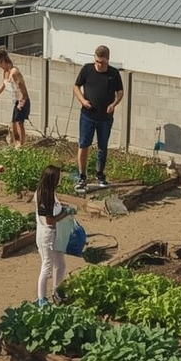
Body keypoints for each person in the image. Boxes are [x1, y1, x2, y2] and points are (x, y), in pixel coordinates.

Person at [73, 45, 124, 191]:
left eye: (102, 62)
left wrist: (114, 104)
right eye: (97, 61)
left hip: (105, 118)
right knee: (83, 144)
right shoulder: (87, 69)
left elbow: (120, 92)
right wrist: (83, 101)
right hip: (87, 116)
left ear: (107, 60)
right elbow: (76, 87)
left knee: (102, 147)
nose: (99, 65)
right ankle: (82, 176)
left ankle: (100, 175)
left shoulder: (113, 74)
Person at [33, 165, 73, 307]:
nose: (60, 179)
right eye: (58, 177)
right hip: (46, 235)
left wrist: (64, 208)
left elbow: (55, 209)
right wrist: (65, 213)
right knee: (47, 266)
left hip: (55, 234)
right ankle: (41, 298)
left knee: (60, 265)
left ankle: (56, 292)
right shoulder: (44, 196)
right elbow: (50, 220)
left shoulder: (50, 192)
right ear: (52, 179)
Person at [0, 48, 30, 148]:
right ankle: (16, 144)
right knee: (13, 124)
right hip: (16, 101)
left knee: (19, 122)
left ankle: (21, 145)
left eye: (0, 65)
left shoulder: (14, 73)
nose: (0, 68)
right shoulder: (5, 72)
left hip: (23, 100)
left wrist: (21, 103)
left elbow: (22, 90)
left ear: (3, 61)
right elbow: (3, 86)